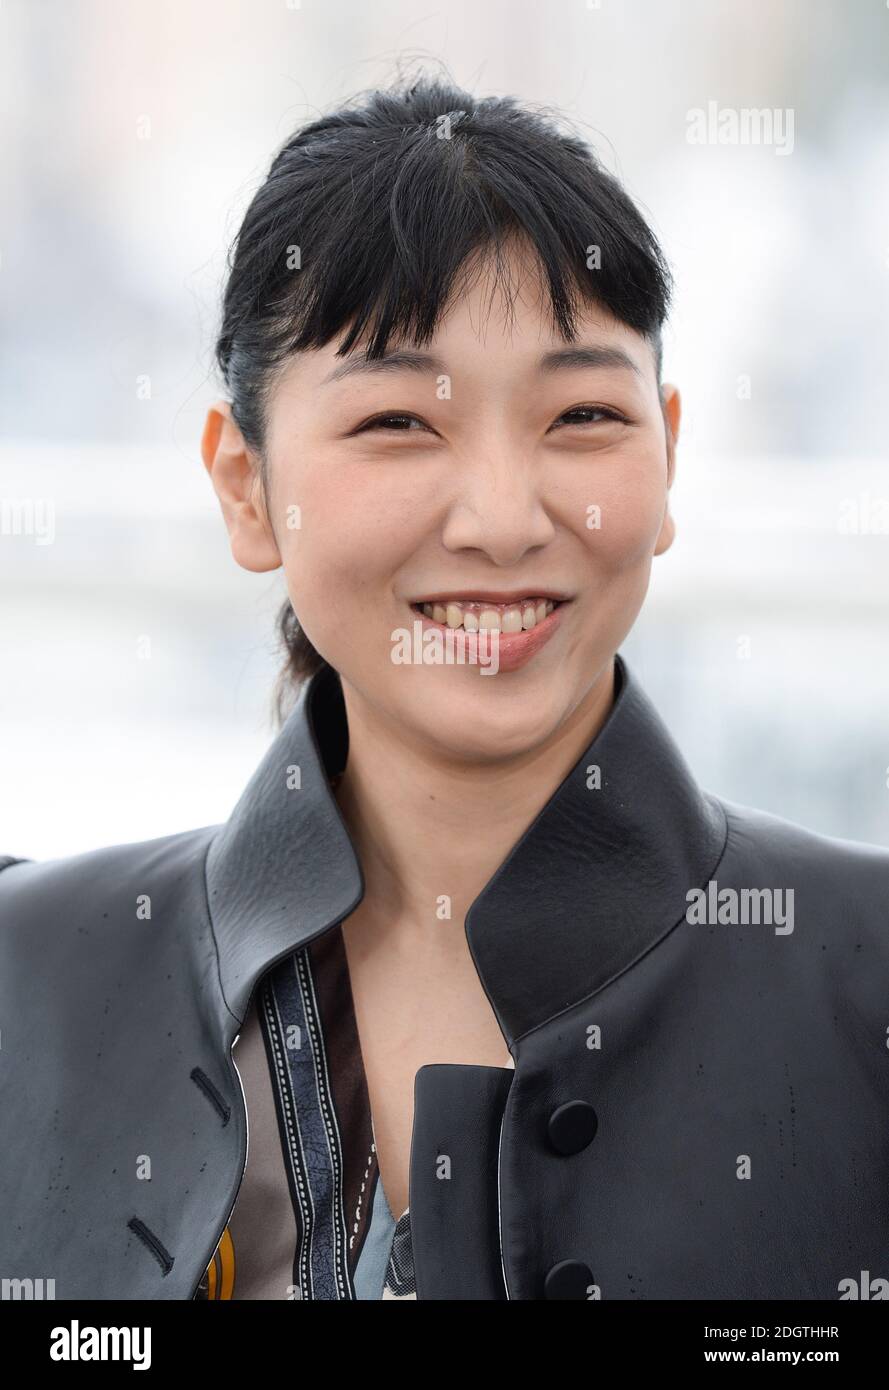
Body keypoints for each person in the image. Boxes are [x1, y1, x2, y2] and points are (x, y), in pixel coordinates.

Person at [1, 74, 887, 1303]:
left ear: (669, 453)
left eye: (580, 413)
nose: (501, 518)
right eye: (399, 424)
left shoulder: (862, 978)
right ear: (245, 487)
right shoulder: (28, 979)